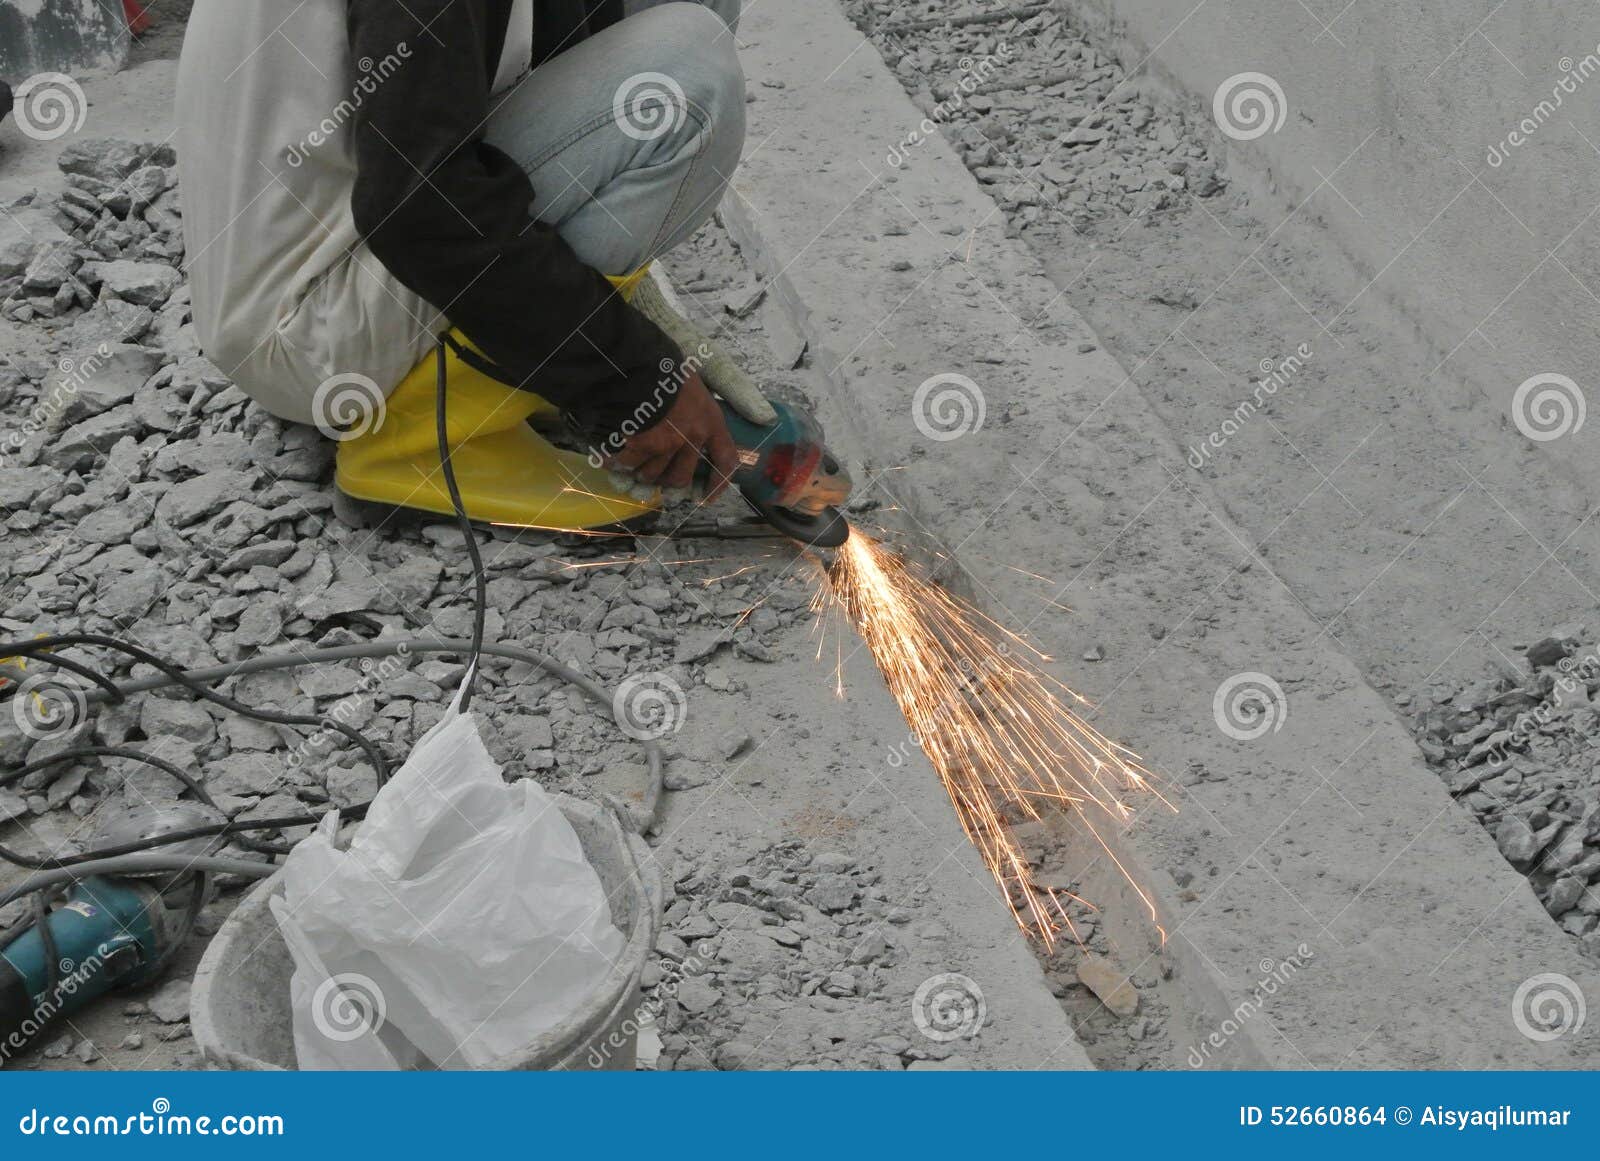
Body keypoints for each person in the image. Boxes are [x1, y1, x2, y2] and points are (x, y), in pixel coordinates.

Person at [175, 0, 773, 530]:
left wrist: (629, 310)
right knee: (687, 79)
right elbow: (416, 208)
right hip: (311, 326)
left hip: (358, 249)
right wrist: (630, 375)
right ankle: (426, 443)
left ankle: (512, 359)